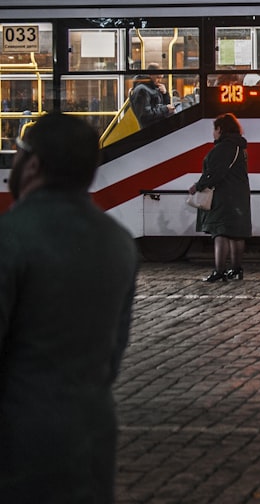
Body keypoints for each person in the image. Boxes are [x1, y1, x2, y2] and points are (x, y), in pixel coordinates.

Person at [0, 113, 137, 501]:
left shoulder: (10, 237)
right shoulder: (119, 242)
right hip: (91, 439)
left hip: (17, 443)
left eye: (18, 153)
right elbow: (111, 358)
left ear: (34, 165)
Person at [189, 113, 252, 282]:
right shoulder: (239, 146)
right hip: (239, 194)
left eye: (215, 129)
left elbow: (215, 172)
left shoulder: (224, 147)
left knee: (220, 232)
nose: (213, 133)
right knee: (236, 234)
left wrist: (198, 186)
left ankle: (220, 270)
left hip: (224, 196)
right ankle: (237, 269)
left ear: (221, 129)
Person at [130, 62, 174, 127]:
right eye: (158, 77)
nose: (160, 80)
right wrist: (165, 109)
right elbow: (145, 115)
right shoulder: (142, 90)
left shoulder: (154, 88)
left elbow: (165, 105)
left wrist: (165, 94)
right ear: (150, 75)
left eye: (161, 78)